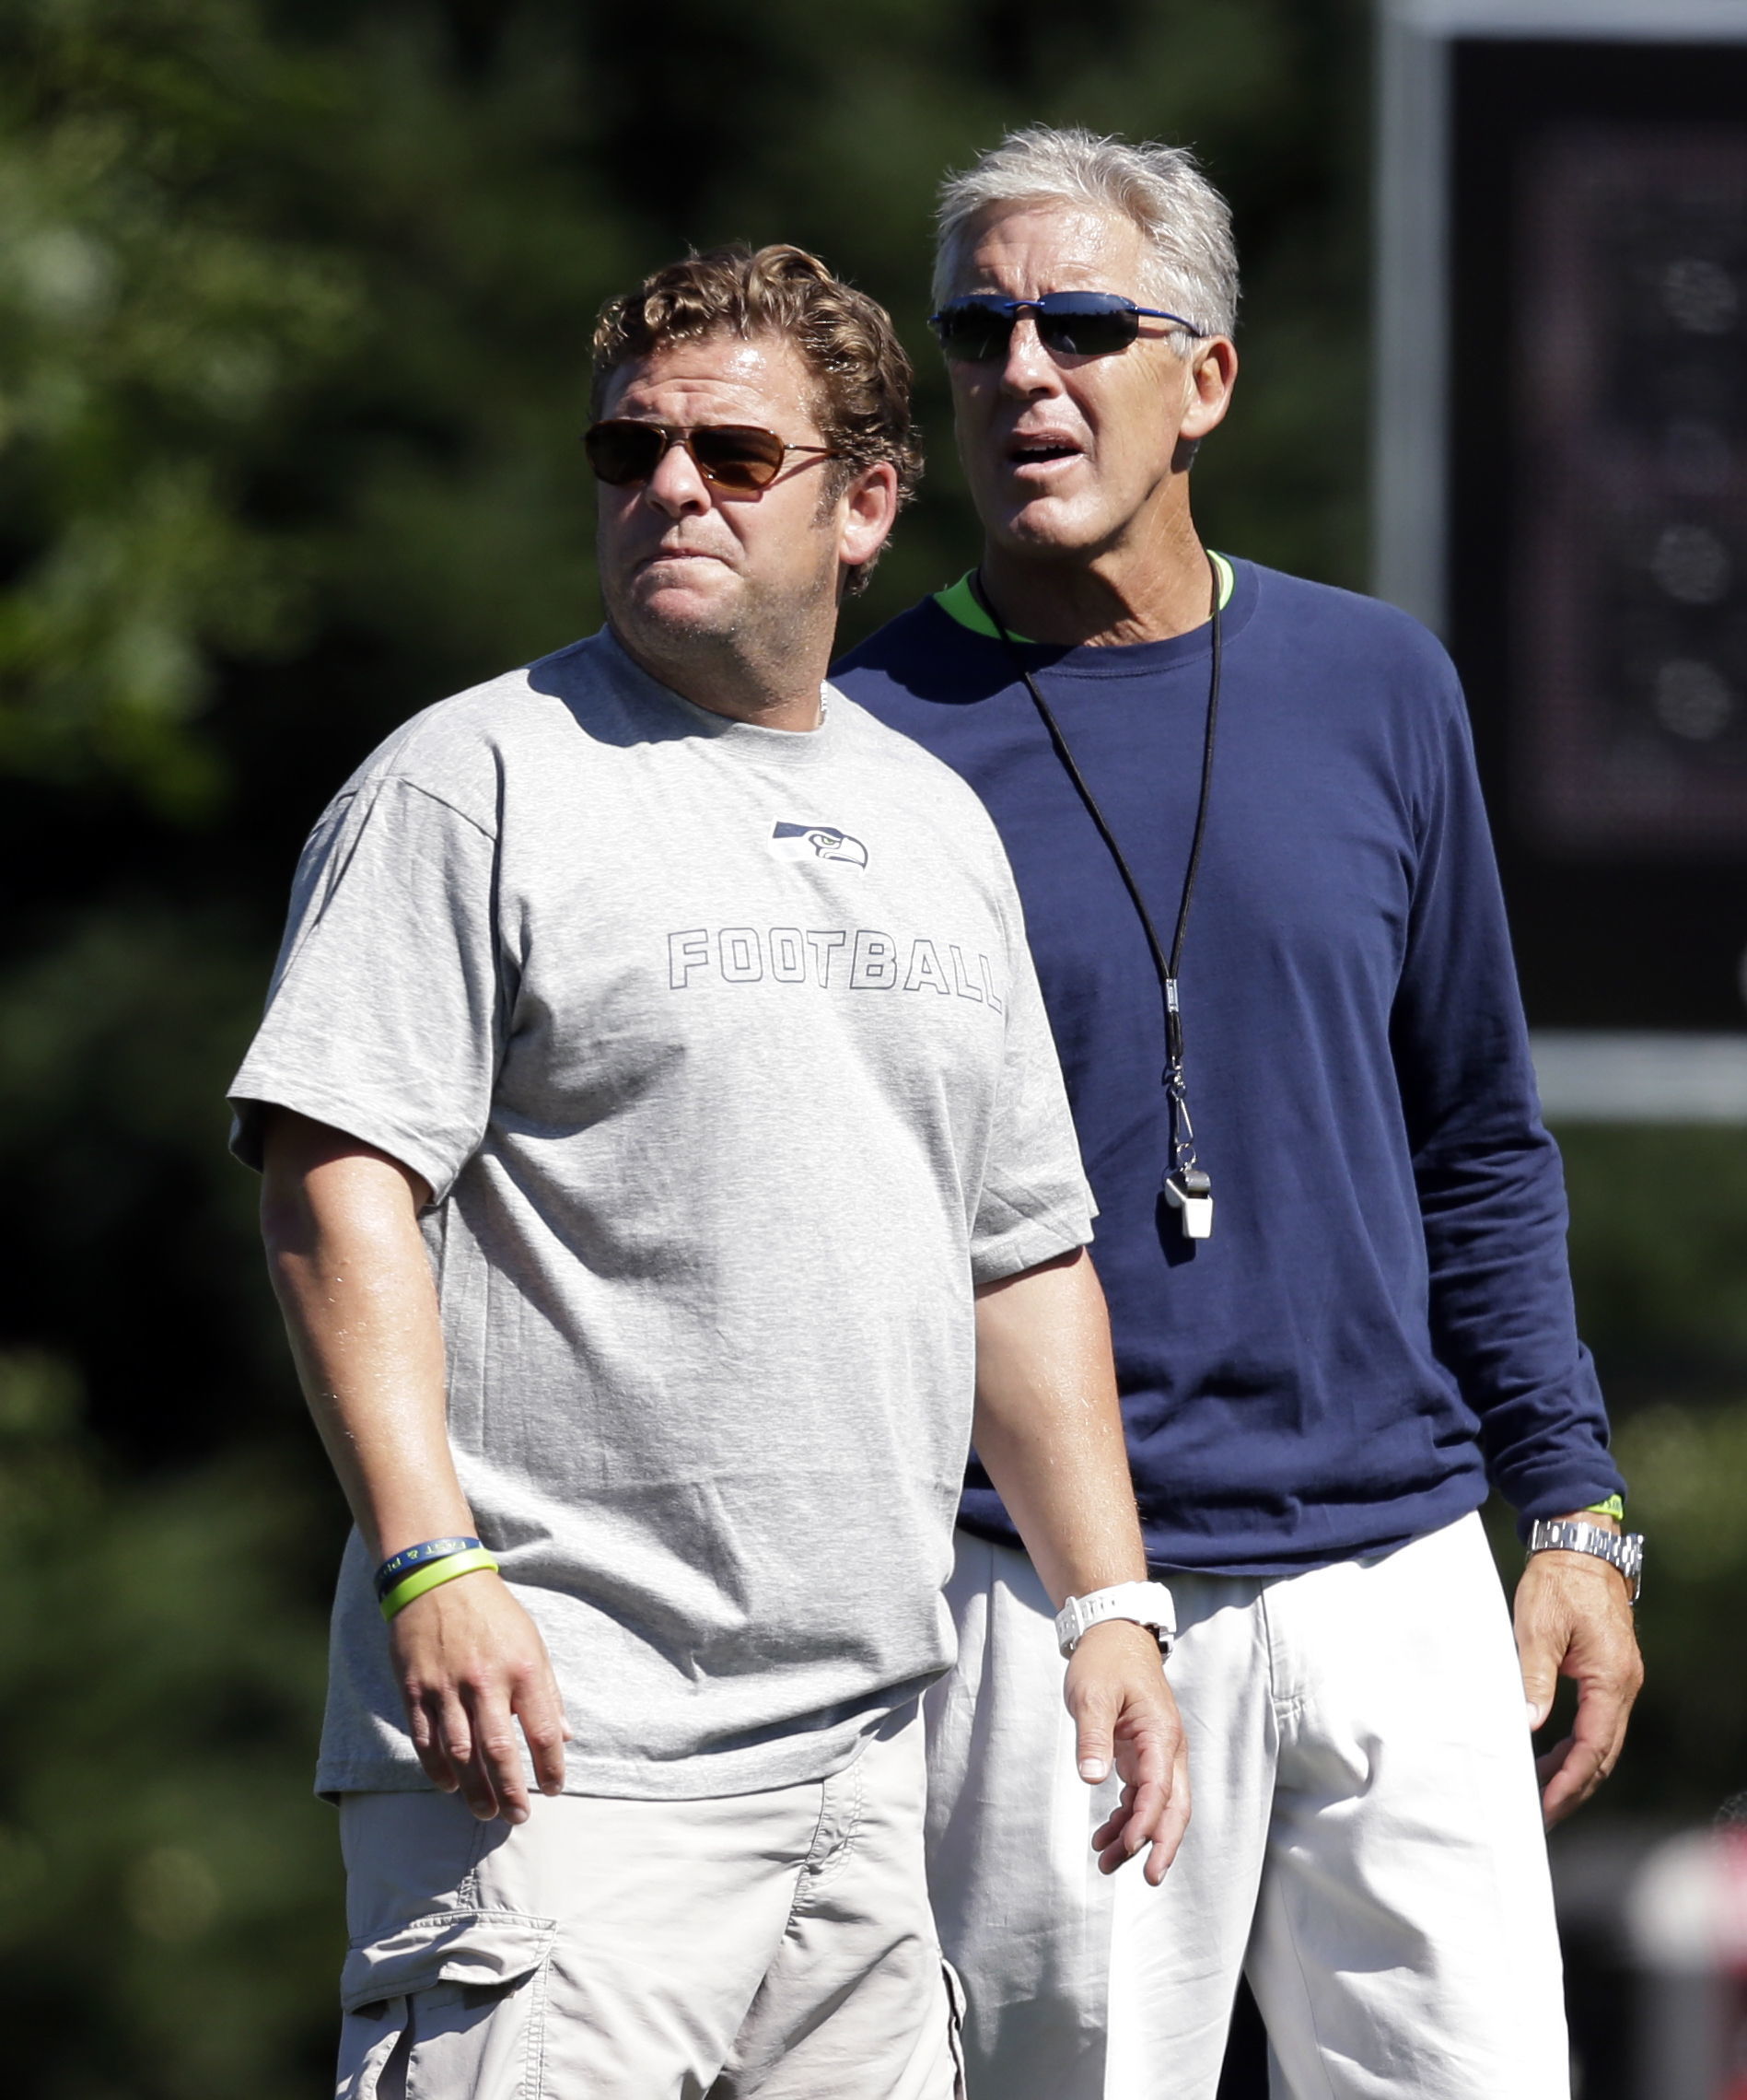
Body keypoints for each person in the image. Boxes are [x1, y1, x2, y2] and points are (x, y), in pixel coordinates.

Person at [228, 241, 1187, 2100]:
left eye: (735, 456)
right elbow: (335, 1190)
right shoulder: (467, 784)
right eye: (629, 453)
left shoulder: (934, 823)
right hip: (554, 1769)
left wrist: (1108, 1605)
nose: (670, 486)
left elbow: (1017, 1258)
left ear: (867, 504)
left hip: (862, 1779)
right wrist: (431, 1563)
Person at [833, 128, 1645, 2100]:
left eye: (1085, 324)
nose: (1025, 372)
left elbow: (1475, 1130)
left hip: (1394, 1574)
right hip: (1037, 1596)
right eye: (981, 330)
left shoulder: (1381, 685)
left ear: (1200, 378)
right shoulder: (863, 742)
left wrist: (1576, 1509)